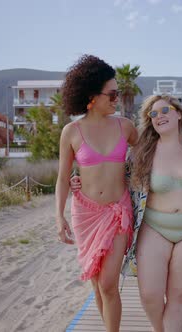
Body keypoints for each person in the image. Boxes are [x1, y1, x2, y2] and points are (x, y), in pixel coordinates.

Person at [122, 95, 182, 332]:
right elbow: (116, 181)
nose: (159, 116)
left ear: (178, 114)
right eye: (153, 114)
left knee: (178, 296)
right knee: (150, 295)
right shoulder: (140, 153)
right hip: (154, 228)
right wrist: (79, 183)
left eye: (165, 110)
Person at [55, 54, 137, 332]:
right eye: (112, 94)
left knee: (108, 283)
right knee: (96, 281)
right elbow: (62, 178)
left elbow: (151, 153)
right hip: (85, 214)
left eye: (118, 94)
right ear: (91, 96)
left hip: (117, 212)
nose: (117, 99)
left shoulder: (125, 126)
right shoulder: (71, 131)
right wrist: (59, 216)